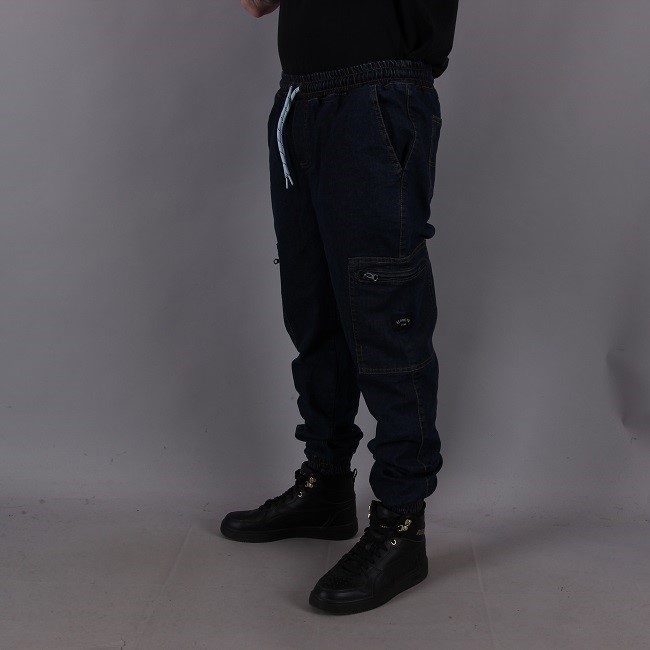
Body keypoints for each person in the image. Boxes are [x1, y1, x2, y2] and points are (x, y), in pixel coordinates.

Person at [222, 0, 459, 614]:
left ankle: (401, 522)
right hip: (299, 98)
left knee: (385, 315)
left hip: (378, 93)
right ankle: (326, 484)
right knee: (314, 309)